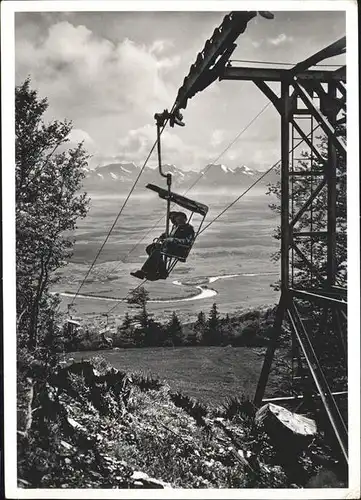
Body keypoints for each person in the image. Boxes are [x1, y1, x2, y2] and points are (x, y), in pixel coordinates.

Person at [130, 211, 195, 281]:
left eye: (181, 219)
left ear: (185, 219)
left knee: (157, 251)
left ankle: (144, 271)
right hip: (170, 247)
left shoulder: (189, 228)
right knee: (150, 248)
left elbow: (187, 241)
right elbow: (170, 237)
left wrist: (173, 239)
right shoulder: (176, 227)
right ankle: (161, 270)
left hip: (179, 249)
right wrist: (164, 236)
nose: (178, 221)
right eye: (177, 219)